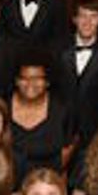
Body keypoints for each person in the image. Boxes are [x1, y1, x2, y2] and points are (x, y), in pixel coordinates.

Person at [51, 0, 98, 153]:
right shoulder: (56, 49)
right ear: (74, 19)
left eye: (93, 17)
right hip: (57, 129)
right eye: (83, 16)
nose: (87, 22)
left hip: (94, 133)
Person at [9, 54, 72, 183]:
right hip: (4, 186)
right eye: (24, 78)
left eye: (38, 78)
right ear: (16, 81)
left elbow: (66, 154)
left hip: (46, 187)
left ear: (47, 82)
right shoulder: (2, 107)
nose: (30, 83)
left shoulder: (63, 110)